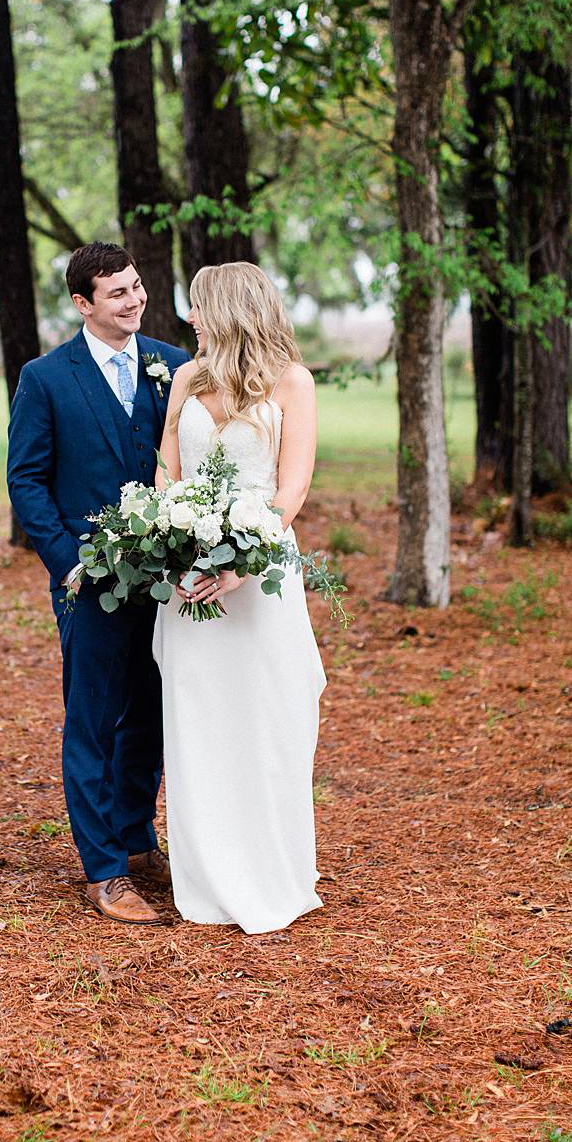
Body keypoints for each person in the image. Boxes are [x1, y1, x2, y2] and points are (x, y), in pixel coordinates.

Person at [7, 242, 189, 924]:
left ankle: (139, 840)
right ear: (83, 303)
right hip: (89, 581)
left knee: (152, 712)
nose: (134, 299)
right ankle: (104, 871)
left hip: (164, 581)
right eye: (117, 293)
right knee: (94, 721)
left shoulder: (174, 366)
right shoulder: (46, 378)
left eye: (137, 286)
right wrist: (68, 564)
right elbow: (25, 479)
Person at [152, 262, 326, 934]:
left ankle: (269, 870)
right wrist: (173, 534)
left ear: (226, 308)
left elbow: (293, 490)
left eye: (197, 306)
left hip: (260, 583)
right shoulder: (190, 380)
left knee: (266, 718)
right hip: (189, 579)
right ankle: (206, 878)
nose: (189, 317)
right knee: (199, 720)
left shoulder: (293, 383)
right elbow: (168, 468)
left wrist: (240, 563)